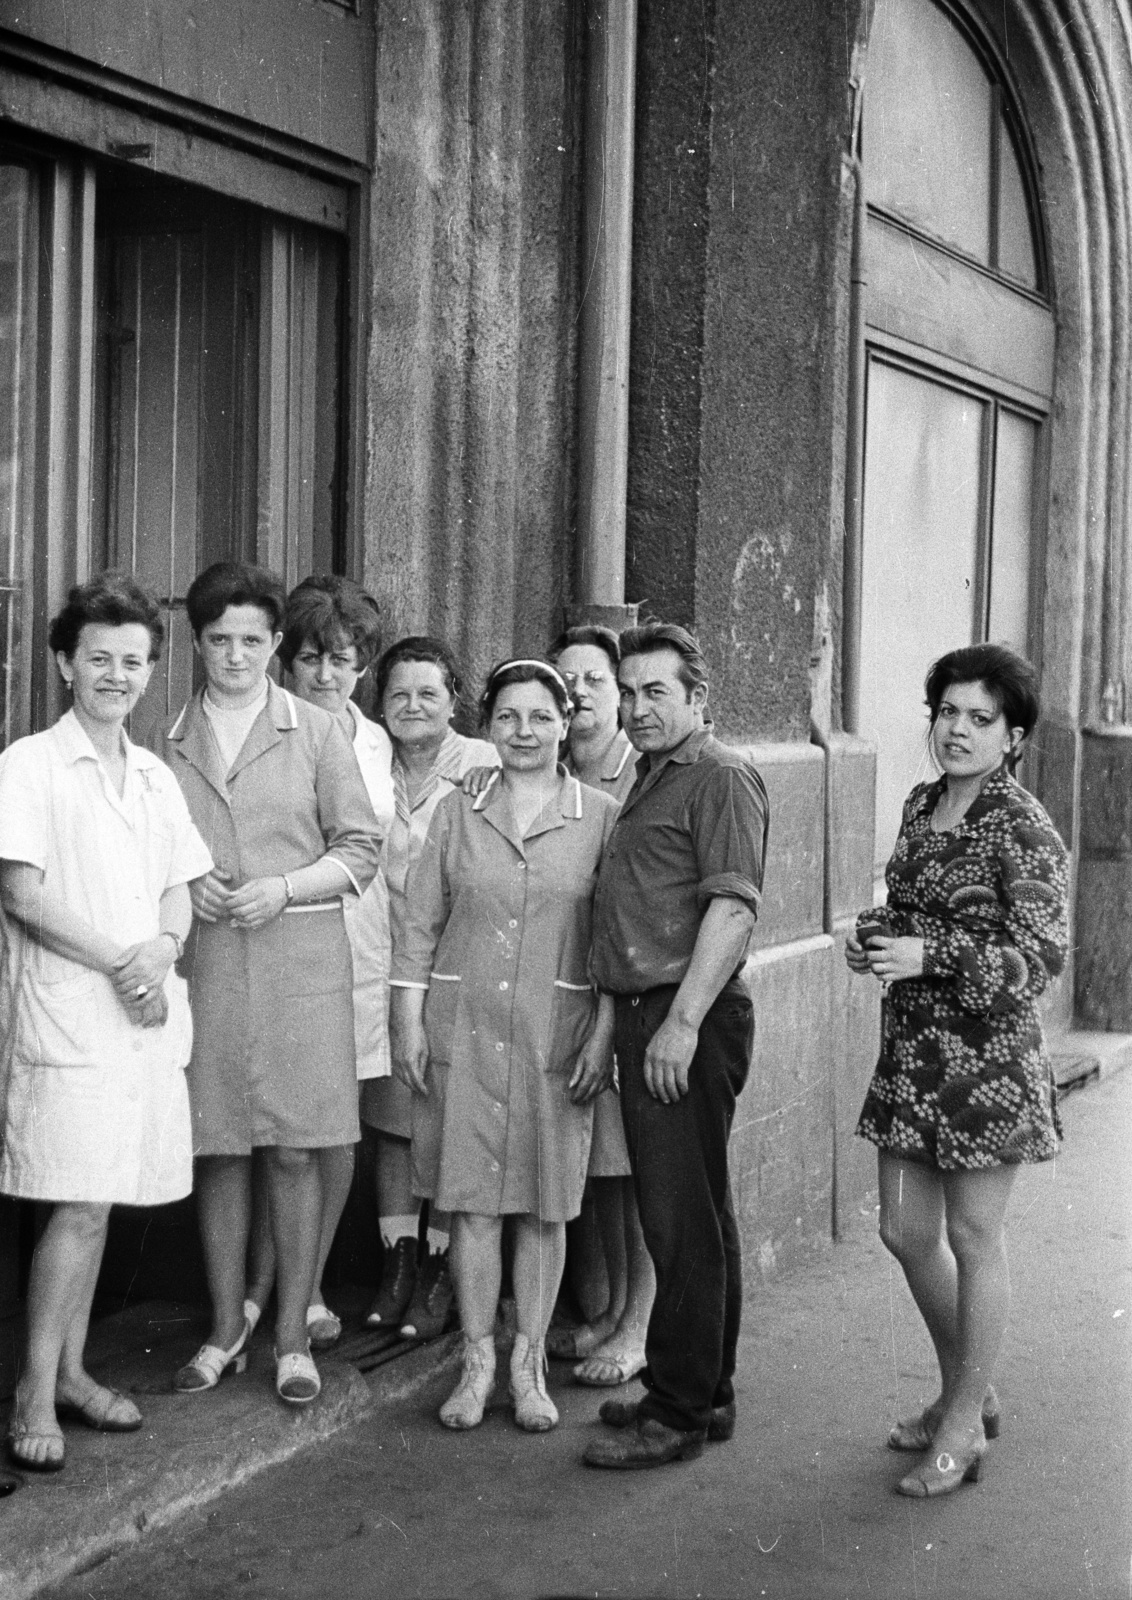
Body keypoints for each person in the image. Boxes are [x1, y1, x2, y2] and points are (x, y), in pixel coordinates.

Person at [846, 643, 1069, 1498]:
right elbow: (912, 907)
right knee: (903, 1232)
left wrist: (929, 953)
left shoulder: (1024, 826)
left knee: (974, 1239)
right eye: (949, 714)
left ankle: (962, 1419)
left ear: (1012, 737)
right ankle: (967, 1396)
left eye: (982, 719)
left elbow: (1039, 958)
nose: (960, 731)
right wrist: (879, 939)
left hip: (986, 1064)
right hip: (912, 1056)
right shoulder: (921, 801)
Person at [0, 574, 211, 1471]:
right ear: (63, 663)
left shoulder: (156, 775)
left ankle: (74, 1374)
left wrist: (160, 949)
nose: (117, 675)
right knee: (79, 1205)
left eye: (133, 661)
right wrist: (122, 962)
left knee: (101, 1202)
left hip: (141, 1016)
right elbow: (20, 890)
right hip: (75, 1015)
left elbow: (180, 888)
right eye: (99, 659)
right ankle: (30, 1397)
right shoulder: (28, 765)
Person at [159, 562, 380, 1406]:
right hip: (209, 960)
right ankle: (226, 1325)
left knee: (292, 1146)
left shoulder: (318, 734)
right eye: (220, 639)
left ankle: (292, 1335)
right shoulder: (166, 737)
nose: (237, 655)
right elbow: (152, 851)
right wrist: (191, 884)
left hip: (298, 962)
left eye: (254, 639)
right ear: (198, 642)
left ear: (275, 644)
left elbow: (360, 848)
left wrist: (282, 887)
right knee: (219, 1145)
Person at [389, 660, 619, 1433]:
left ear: (566, 723)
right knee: (471, 1203)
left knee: (544, 1208)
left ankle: (529, 1368)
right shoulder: (459, 812)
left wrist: (605, 1037)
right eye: (509, 718)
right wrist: (408, 1020)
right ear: (488, 728)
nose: (524, 732)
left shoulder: (602, 817)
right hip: (467, 1031)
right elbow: (419, 924)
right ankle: (477, 1362)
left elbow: (618, 943)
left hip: (556, 1037)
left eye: (540, 717)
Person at [583, 621, 769, 1470]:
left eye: (656, 691)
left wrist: (682, 1024)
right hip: (651, 1011)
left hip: (681, 1014)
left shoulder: (720, 775)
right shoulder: (654, 773)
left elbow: (732, 908)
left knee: (677, 1219)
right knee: (700, 1211)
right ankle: (703, 1391)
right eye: (628, 693)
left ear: (699, 698)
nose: (636, 707)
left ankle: (678, 1412)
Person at [243, 575, 395, 1349]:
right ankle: (263, 1290)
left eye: (345, 661)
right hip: (282, 948)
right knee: (281, 1132)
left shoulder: (377, 741)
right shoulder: (269, 732)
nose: (328, 676)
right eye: (311, 660)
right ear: (284, 662)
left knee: (337, 1130)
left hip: (363, 950)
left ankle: (305, 1292)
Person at [360, 638, 497, 1339]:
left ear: (453, 701)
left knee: (448, 1120)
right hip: (385, 963)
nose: (412, 706)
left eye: (428, 694)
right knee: (391, 1119)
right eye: (399, 695)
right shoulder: (367, 759)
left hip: (459, 968)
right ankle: (399, 1260)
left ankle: (442, 1268)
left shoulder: (483, 763)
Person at [543, 626, 655, 1388]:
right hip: (571, 988)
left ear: (618, 694)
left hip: (632, 990)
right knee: (606, 1166)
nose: (578, 690)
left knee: (641, 1168)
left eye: (594, 678)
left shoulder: (639, 775)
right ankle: (613, 1308)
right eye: (565, 678)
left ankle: (641, 1322)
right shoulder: (545, 769)